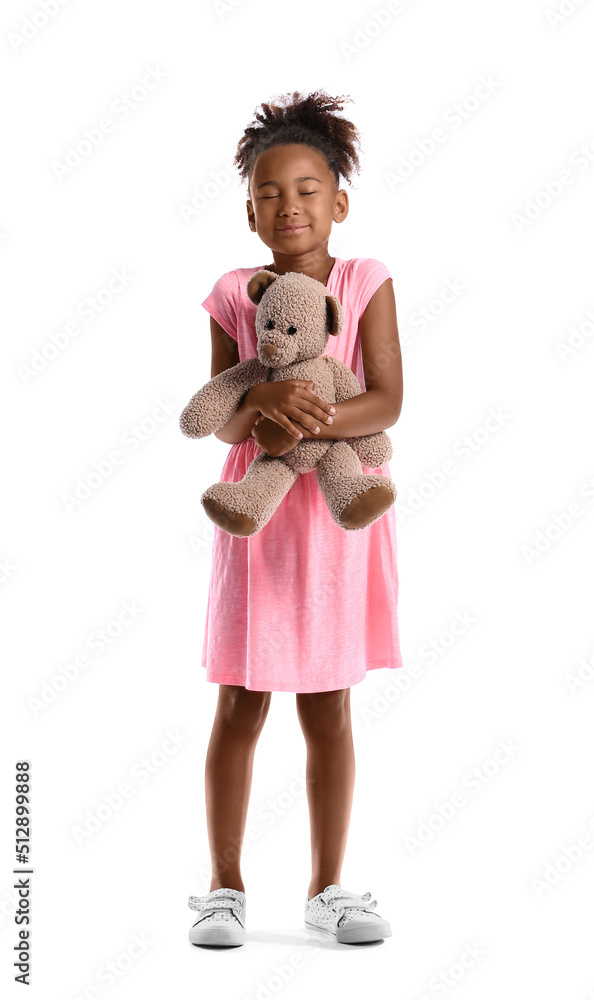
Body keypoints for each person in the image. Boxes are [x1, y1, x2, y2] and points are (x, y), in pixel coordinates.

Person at [184, 90, 404, 948]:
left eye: (309, 190)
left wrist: (309, 414)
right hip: (260, 517)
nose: (291, 207)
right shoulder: (235, 295)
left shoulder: (366, 282)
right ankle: (223, 887)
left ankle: (327, 887)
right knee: (240, 700)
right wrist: (264, 397)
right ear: (249, 210)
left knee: (329, 704)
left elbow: (387, 397)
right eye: (271, 193)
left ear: (339, 201)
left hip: (340, 518)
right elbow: (225, 416)